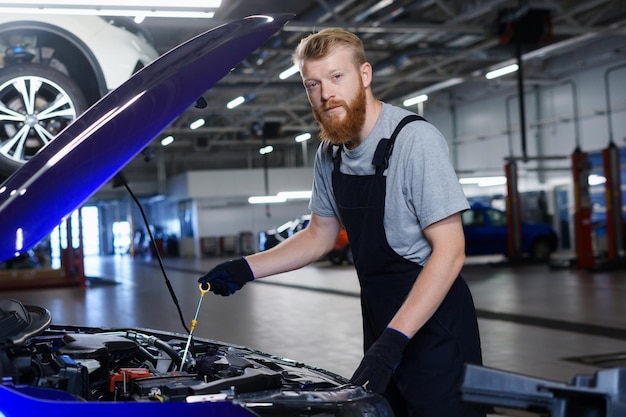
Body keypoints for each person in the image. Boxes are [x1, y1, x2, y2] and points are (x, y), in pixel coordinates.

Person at [198, 28, 485, 417]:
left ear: (364, 75)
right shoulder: (329, 154)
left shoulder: (414, 141)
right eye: (312, 84)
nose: (325, 94)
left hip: (435, 326)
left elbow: (451, 252)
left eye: (337, 77)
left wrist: (395, 340)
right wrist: (245, 267)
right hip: (383, 318)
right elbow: (319, 236)